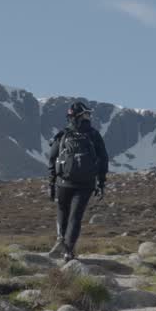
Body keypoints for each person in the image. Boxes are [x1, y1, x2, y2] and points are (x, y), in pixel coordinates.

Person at [47, 102, 108, 261]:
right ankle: (68, 251)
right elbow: (103, 159)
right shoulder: (94, 135)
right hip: (85, 184)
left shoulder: (62, 134)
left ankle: (60, 240)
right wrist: (101, 182)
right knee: (75, 216)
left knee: (62, 211)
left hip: (63, 182)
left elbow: (52, 158)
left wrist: (51, 183)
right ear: (84, 116)